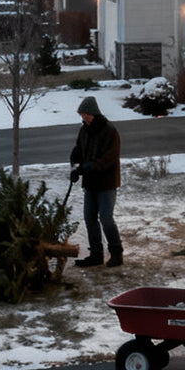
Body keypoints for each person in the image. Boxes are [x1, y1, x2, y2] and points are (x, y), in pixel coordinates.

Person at [70, 95, 123, 267]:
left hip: (106, 183)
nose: (83, 117)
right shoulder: (84, 130)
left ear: (93, 113)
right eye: (81, 114)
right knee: (89, 218)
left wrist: (91, 167)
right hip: (90, 183)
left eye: (85, 114)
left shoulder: (109, 131)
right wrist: (76, 167)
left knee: (106, 218)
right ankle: (96, 254)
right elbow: (79, 150)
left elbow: (110, 158)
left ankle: (116, 253)